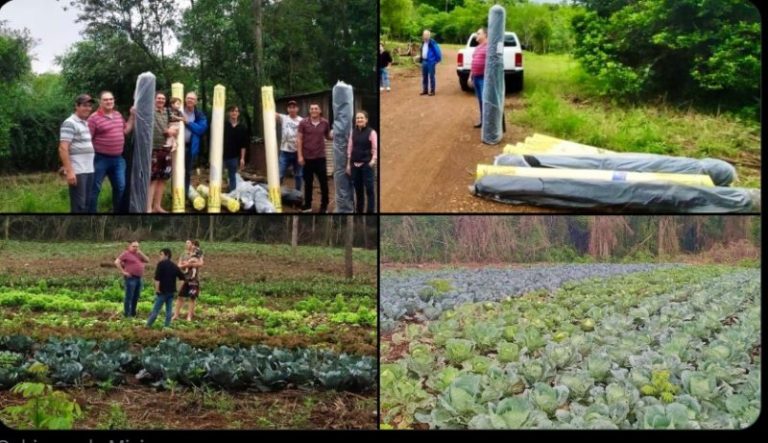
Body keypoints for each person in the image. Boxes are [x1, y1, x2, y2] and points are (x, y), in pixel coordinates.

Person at [87, 91, 136, 213]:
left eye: (111, 99)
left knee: (120, 187)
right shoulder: (93, 118)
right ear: (100, 101)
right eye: (105, 100)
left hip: (118, 159)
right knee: (95, 189)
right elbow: (88, 139)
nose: (109, 102)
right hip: (100, 159)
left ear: (114, 101)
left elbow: (125, 131)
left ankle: (117, 212)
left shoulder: (118, 115)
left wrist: (132, 116)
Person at [59, 94, 96, 213]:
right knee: (79, 206)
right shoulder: (70, 123)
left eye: (90, 106)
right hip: (78, 171)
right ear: (77, 106)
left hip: (89, 169)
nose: (88, 108)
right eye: (84, 105)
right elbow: (63, 148)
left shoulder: (84, 122)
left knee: (86, 204)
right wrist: (69, 171)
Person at [297, 103, 333, 213]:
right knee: (308, 183)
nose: (314, 110)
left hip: (320, 157)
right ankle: (308, 205)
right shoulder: (303, 123)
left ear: (320, 110)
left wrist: (337, 135)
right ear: (309, 111)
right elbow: (299, 139)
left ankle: (324, 206)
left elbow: (328, 136)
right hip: (307, 158)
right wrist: (300, 156)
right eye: (312, 108)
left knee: (323, 183)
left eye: (316, 108)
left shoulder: (325, 123)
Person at [147, 92, 178, 213]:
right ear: (154, 99)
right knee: (153, 179)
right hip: (153, 149)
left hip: (166, 149)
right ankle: (148, 208)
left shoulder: (168, 112)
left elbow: (177, 125)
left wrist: (172, 130)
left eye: (163, 98)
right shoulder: (149, 111)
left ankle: (157, 206)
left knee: (163, 178)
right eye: (158, 98)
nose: (161, 100)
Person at [345, 111, 377, 213]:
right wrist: (348, 165)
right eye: (357, 118)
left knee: (369, 189)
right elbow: (350, 148)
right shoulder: (353, 132)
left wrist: (372, 161)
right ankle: (359, 211)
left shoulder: (371, 132)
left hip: (366, 165)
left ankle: (370, 211)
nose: (359, 120)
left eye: (361, 118)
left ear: (366, 120)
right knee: (358, 190)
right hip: (355, 165)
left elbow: (375, 148)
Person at [146, 248, 186, 328]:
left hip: (162, 292)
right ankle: (167, 327)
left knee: (155, 310)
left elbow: (157, 279)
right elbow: (182, 278)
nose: (160, 256)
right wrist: (178, 289)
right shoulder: (174, 266)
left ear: (166, 255)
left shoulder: (161, 264)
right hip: (171, 292)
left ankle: (147, 326)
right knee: (169, 311)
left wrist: (157, 290)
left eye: (161, 254)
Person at [182, 92, 209, 195]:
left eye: (192, 99)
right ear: (185, 99)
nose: (190, 100)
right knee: (175, 171)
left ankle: (184, 194)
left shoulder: (199, 114)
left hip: (190, 147)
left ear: (196, 102)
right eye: (188, 98)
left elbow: (201, 129)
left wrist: (187, 123)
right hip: (177, 146)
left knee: (187, 172)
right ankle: (175, 194)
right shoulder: (179, 111)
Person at [114, 240, 149, 318]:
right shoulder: (126, 253)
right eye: (134, 246)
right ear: (129, 246)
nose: (135, 248)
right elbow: (116, 262)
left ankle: (133, 313)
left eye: (137, 246)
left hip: (139, 278)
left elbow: (147, 260)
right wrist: (123, 272)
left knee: (136, 296)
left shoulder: (139, 254)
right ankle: (127, 314)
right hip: (131, 278)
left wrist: (141, 253)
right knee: (129, 296)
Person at [173, 240, 204, 321]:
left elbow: (201, 264)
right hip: (184, 279)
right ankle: (176, 315)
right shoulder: (183, 254)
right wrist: (184, 265)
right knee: (180, 296)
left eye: (190, 243)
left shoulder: (198, 253)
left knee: (192, 297)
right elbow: (179, 265)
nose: (188, 245)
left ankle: (189, 316)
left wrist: (189, 264)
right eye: (186, 243)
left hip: (193, 279)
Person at [276, 100, 303, 192]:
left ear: (297, 109)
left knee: (298, 175)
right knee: (280, 174)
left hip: (297, 152)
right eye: (290, 107)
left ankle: (298, 195)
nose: (292, 109)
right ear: (287, 109)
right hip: (285, 152)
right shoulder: (284, 118)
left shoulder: (301, 121)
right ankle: (276, 193)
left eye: (294, 107)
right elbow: (272, 113)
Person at [223, 105, 249, 192]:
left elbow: (243, 145)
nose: (234, 112)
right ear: (229, 113)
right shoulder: (223, 126)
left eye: (236, 111)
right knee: (217, 175)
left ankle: (232, 194)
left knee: (232, 176)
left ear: (238, 114)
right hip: (221, 156)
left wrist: (242, 158)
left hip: (233, 156)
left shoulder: (242, 128)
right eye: (232, 111)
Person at [471, 28, 488, 128]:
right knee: (480, 100)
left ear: (485, 35)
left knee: (485, 100)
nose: (476, 35)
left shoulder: (489, 47)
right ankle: (482, 120)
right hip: (476, 77)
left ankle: (487, 122)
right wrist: (470, 77)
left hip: (483, 78)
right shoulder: (477, 47)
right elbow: (473, 63)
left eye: (478, 33)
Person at [419, 30, 442, 96]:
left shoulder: (432, 43)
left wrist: (436, 60)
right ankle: (425, 90)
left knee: (431, 76)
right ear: (423, 36)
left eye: (426, 35)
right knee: (424, 76)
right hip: (424, 61)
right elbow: (421, 51)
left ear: (429, 36)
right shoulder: (423, 43)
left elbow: (437, 52)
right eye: (424, 35)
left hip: (431, 62)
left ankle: (432, 91)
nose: (425, 36)